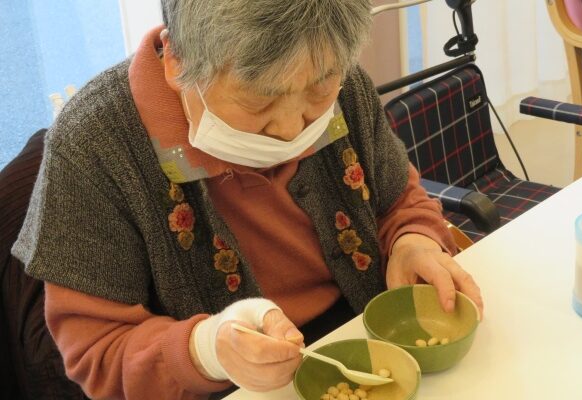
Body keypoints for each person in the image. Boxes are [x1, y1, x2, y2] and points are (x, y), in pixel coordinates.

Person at [12, 0, 483, 398]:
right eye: (259, 101)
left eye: (319, 88)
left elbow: (398, 198)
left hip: (364, 336)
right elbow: (97, 352)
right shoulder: (94, 146)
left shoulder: (334, 73)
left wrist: (413, 241)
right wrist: (208, 349)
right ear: (177, 63)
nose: (292, 129)